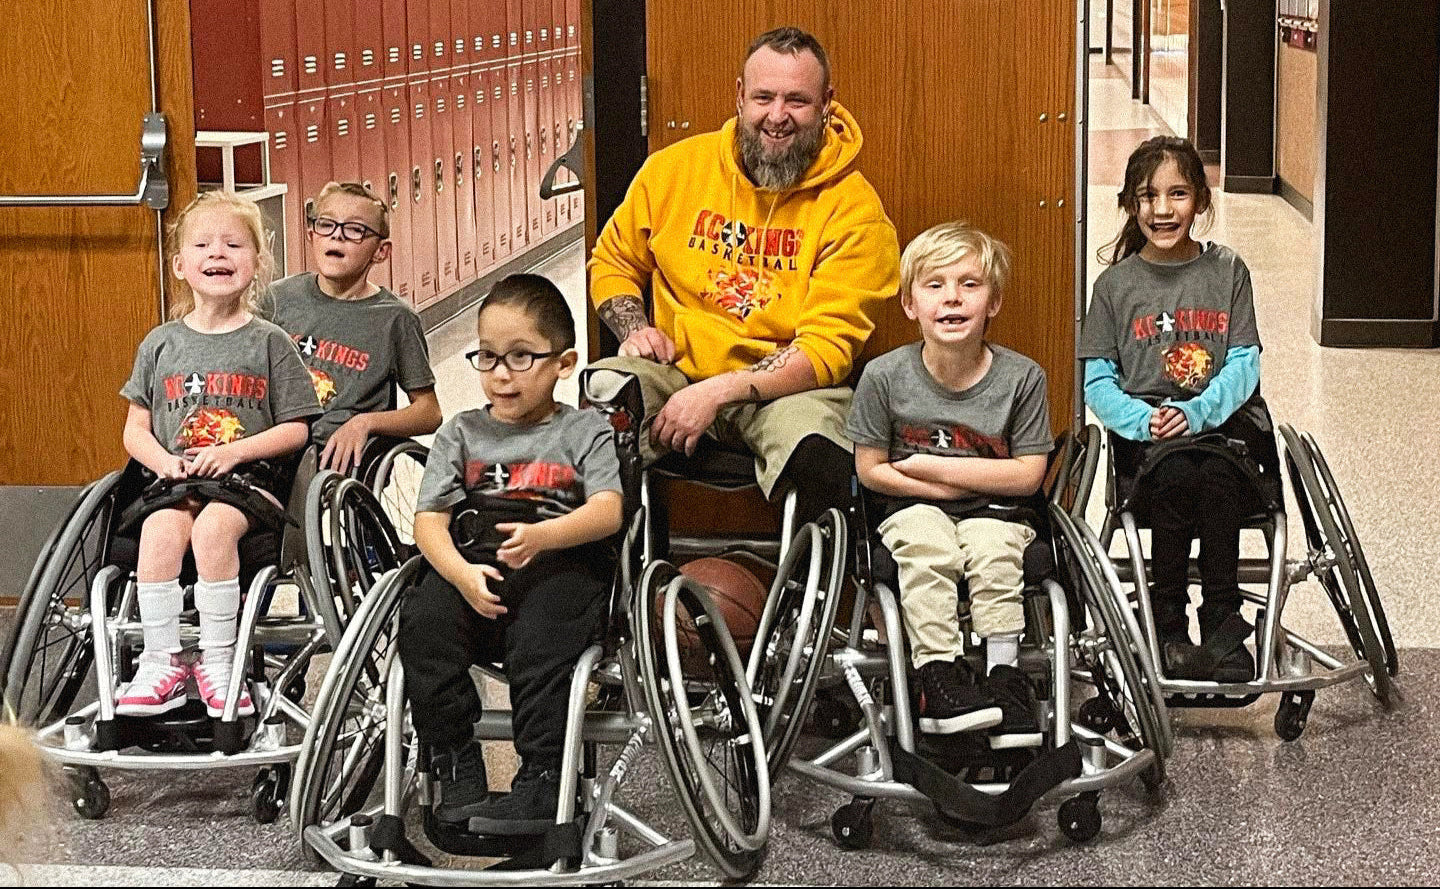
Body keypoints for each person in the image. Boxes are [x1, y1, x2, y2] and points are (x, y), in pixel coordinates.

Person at [587, 26, 900, 523]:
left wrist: (716, 392)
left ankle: (812, 592)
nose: (777, 117)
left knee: (821, 452)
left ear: (826, 104)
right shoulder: (673, 170)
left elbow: (825, 350)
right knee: (600, 405)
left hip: (788, 392)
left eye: (797, 100)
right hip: (675, 373)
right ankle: (602, 580)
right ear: (738, 96)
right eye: (764, 97)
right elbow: (613, 262)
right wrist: (634, 329)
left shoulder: (855, 211)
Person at [398, 274, 623, 835]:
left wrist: (545, 537)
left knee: (546, 642)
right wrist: (460, 573)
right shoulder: (460, 433)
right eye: (489, 357)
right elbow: (429, 521)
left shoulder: (584, 429)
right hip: (472, 560)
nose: (501, 374)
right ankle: (454, 762)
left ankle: (543, 776)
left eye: (521, 357)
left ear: (563, 363)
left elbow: (608, 511)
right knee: (424, 623)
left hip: (558, 563)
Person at [115, 191, 321, 717]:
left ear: (257, 263)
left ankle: (219, 659)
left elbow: (296, 429)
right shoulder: (159, 344)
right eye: (203, 244)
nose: (218, 253)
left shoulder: (270, 342)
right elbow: (135, 429)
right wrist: (162, 462)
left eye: (233, 244)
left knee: (211, 532)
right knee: (160, 533)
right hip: (176, 478)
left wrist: (234, 452)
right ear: (181, 265)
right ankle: (162, 661)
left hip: (247, 479)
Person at [1079, 135, 1275, 682]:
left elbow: (1243, 363)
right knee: (1168, 483)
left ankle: (1221, 619)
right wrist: (1145, 422)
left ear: (1201, 201)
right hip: (1149, 435)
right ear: (1129, 204)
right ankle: (1166, 621)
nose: (1162, 210)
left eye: (1177, 194)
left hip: (1222, 430)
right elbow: (1096, 380)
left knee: (1214, 481)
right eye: (1147, 197)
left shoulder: (1228, 272)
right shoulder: (1114, 288)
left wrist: (1198, 413)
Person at [847, 222, 1051, 747]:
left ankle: (1005, 677)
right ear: (910, 304)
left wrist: (923, 467)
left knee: (993, 548)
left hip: (998, 514)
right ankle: (938, 676)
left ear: (994, 302)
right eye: (934, 285)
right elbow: (870, 470)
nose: (952, 298)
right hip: (910, 509)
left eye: (969, 284)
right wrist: (962, 489)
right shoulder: (883, 377)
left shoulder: (1023, 378)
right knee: (927, 544)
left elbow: (1028, 476)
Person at [261, 181, 441, 474]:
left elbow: (429, 412)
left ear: (381, 252)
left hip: (334, 455)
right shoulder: (278, 298)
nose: (337, 236)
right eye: (327, 224)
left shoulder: (395, 319)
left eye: (355, 230)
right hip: (275, 439)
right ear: (311, 235)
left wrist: (364, 422)